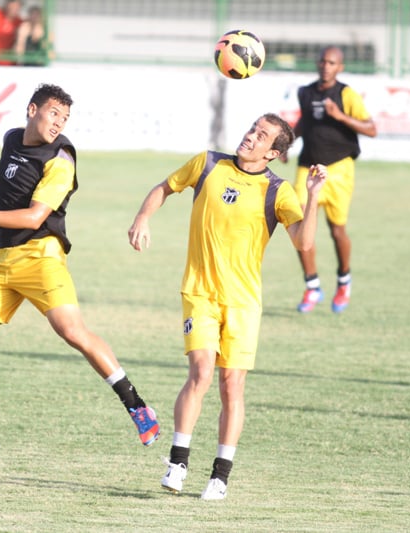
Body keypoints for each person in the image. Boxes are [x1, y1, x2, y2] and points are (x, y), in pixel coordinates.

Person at [0, 83, 160, 469]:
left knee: (72, 332)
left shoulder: (61, 160)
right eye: (53, 113)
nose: (59, 123)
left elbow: (34, 217)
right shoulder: (11, 139)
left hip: (42, 258)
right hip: (3, 259)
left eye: (65, 118)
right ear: (31, 110)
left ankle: (138, 406)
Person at [128, 114, 327, 500]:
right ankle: (178, 462)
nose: (250, 136)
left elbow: (303, 243)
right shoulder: (207, 164)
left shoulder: (278, 191)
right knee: (201, 372)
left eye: (262, 136)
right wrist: (143, 216)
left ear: (273, 153)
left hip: (243, 302)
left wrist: (314, 196)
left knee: (231, 385)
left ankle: (220, 475)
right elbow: (165, 187)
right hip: (199, 292)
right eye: (252, 128)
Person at [291, 46, 376, 313]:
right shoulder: (305, 92)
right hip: (307, 168)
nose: (325, 66)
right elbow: (304, 123)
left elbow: (371, 128)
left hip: (339, 169)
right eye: (322, 61)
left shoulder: (345, 94)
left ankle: (344, 281)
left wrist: (339, 116)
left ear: (340, 67)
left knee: (336, 230)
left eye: (331, 62)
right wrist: (286, 143)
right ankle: (312, 285)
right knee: (300, 226)